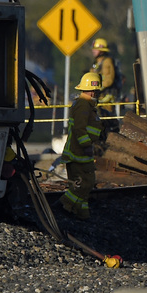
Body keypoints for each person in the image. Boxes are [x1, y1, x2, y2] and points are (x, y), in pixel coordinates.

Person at [59, 72, 104, 220]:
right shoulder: (84, 105)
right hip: (79, 152)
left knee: (83, 185)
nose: (98, 94)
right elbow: (79, 128)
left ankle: (81, 213)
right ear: (93, 90)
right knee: (85, 183)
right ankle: (64, 204)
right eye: (97, 91)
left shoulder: (87, 105)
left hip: (82, 152)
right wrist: (86, 145)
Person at [90, 38, 119, 104]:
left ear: (102, 50)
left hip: (106, 99)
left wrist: (95, 88)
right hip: (97, 97)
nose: (93, 51)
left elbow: (108, 81)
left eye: (95, 49)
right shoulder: (96, 63)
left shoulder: (107, 62)